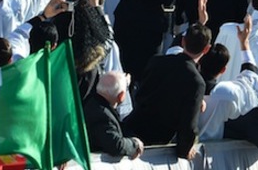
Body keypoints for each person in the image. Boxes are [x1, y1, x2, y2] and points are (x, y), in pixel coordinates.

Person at [123, 23, 210, 160]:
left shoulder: (157, 61)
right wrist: (185, 150)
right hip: (156, 142)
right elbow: (189, 122)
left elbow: (140, 94)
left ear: (183, 41)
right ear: (206, 49)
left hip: (133, 127)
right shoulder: (196, 82)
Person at [83, 71, 143, 159]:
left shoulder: (93, 103)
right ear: (121, 96)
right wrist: (134, 144)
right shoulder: (102, 115)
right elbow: (116, 145)